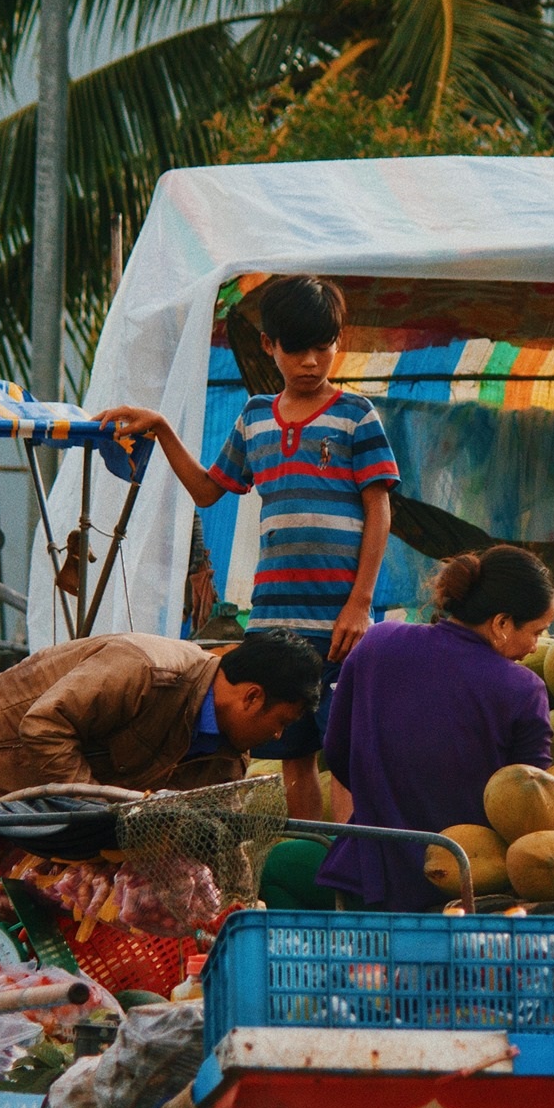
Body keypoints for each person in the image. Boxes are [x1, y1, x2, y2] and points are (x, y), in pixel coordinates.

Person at [95, 275, 398, 824]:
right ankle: (310, 856)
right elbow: (208, 491)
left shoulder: (357, 416)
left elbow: (380, 509)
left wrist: (360, 602)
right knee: (293, 755)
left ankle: (351, 870)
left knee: (348, 755)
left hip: (339, 622)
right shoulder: (256, 417)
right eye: (296, 348)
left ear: (338, 343)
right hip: (274, 622)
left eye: (322, 347)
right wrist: (162, 428)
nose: (311, 361)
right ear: (269, 347)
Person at [0, 628, 325, 847]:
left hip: (32, 829)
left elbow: (199, 835)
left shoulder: (227, 762)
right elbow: (45, 724)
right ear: (251, 697)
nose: (279, 735)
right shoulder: (147, 668)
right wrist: (97, 819)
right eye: (280, 720)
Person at [318, 546, 554, 911]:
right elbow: (530, 807)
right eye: (536, 631)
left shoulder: (378, 643)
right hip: (465, 893)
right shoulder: (524, 690)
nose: (535, 646)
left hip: (366, 881)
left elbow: (337, 752)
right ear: (502, 624)